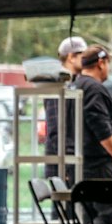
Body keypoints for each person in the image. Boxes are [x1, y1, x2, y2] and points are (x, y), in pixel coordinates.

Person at [72, 45, 112, 224]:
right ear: (101, 63)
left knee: (91, 216)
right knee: (111, 214)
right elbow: (99, 124)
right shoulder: (94, 89)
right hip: (98, 164)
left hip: (85, 162)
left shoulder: (77, 85)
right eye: (108, 63)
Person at [44, 35, 87, 179]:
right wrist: (67, 166)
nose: (86, 61)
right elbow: (56, 130)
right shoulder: (58, 84)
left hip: (70, 162)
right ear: (71, 57)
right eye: (83, 56)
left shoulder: (74, 84)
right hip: (61, 166)